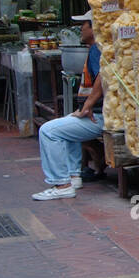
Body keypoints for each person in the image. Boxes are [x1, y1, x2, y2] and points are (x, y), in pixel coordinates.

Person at [32, 10, 106, 201]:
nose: (80, 28)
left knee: (48, 131)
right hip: (97, 113)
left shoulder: (98, 48)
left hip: (99, 116)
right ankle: (74, 177)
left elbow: (103, 75)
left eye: (84, 24)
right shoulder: (97, 48)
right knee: (67, 125)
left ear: (94, 27)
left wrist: (88, 106)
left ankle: (61, 184)